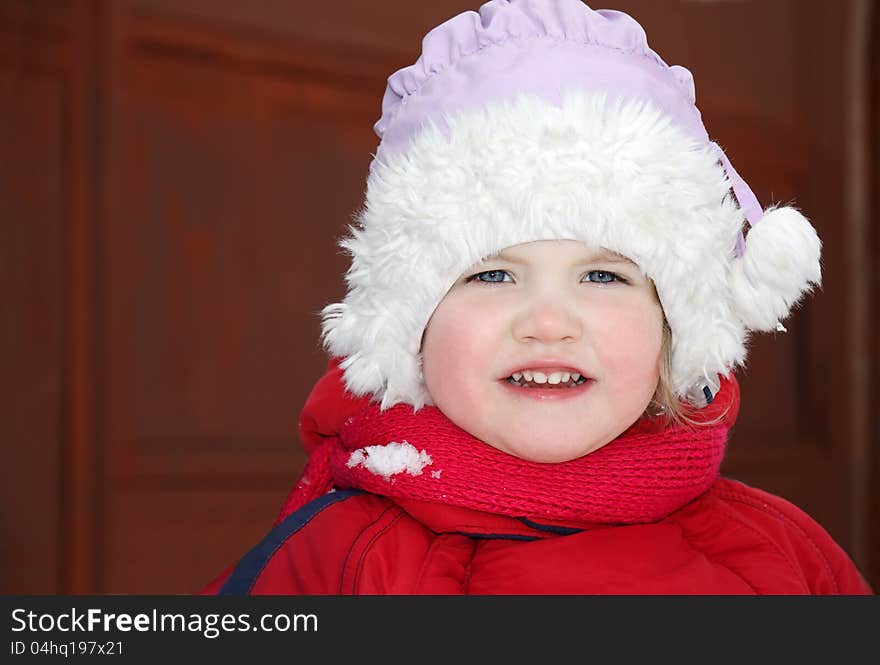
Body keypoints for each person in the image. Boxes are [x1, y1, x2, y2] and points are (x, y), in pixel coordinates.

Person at [201, 0, 872, 595]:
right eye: (492, 275)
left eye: (603, 276)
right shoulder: (338, 559)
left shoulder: (781, 558)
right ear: (411, 326)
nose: (549, 322)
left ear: (675, 328)